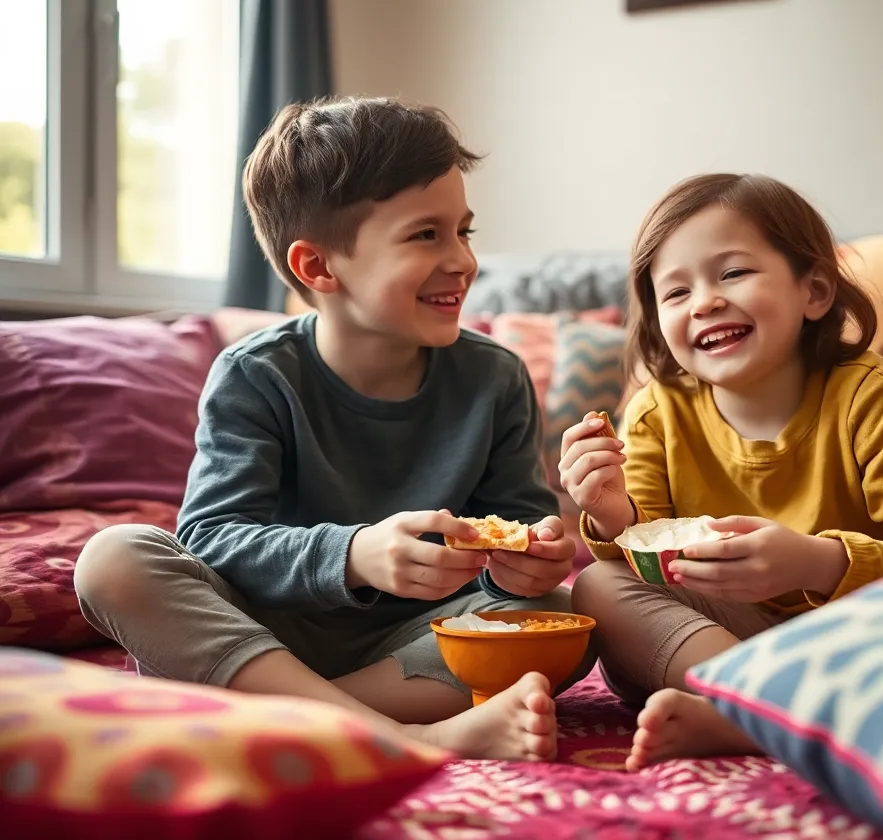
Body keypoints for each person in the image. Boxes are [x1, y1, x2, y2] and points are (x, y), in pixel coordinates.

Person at [74, 96, 589, 761]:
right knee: (113, 559)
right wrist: (355, 555)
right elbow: (211, 540)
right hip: (268, 633)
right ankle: (403, 735)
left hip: (410, 642)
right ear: (318, 268)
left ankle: (280, 713)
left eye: (464, 230)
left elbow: (518, 541)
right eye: (425, 235)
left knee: (561, 607)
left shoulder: (496, 379)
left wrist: (518, 570)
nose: (463, 260)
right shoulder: (257, 376)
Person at [559, 173, 883, 770]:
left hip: (848, 636)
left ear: (814, 292)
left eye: (732, 273)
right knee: (596, 586)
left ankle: (753, 714)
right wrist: (611, 511)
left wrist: (816, 561)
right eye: (675, 292)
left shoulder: (872, 396)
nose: (704, 300)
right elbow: (644, 558)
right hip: (710, 646)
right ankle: (772, 709)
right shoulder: (658, 410)